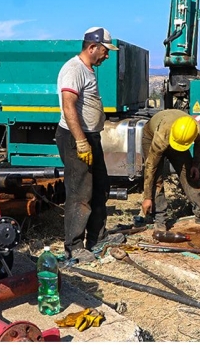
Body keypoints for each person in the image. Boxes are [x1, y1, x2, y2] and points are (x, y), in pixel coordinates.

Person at [55, 27, 124, 263]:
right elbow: (68, 106)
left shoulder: (87, 70)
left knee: (100, 187)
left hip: (88, 137)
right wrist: (81, 141)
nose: (107, 56)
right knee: (79, 192)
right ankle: (73, 246)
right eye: (105, 51)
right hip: (76, 138)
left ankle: (97, 237)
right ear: (92, 47)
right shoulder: (74, 70)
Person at [141, 109, 200, 231]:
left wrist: (195, 165)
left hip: (175, 135)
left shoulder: (198, 131)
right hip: (152, 135)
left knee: (189, 172)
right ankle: (160, 220)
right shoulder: (161, 137)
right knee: (157, 178)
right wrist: (147, 197)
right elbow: (150, 168)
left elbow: (199, 146)